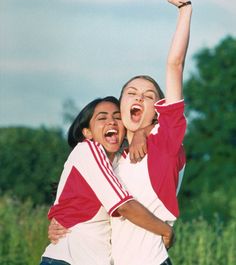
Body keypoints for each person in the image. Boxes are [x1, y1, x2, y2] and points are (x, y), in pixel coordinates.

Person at [48, 0, 192, 265]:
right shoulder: (113, 158)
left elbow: (175, 65)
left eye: (149, 96)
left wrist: (185, 10)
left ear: (158, 111)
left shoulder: (166, 140)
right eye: (131, 93)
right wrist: (57, 222)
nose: (139, 97)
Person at [39, 96, 174, 265]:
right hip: (68, 260)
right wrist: (166, 230)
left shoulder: (118, 162)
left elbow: (167, 126)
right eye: (102, 118)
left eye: (117, 117)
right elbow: (125, 206)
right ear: (87, 132)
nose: (111, 122)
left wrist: (142, 131)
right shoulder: (88, 149)